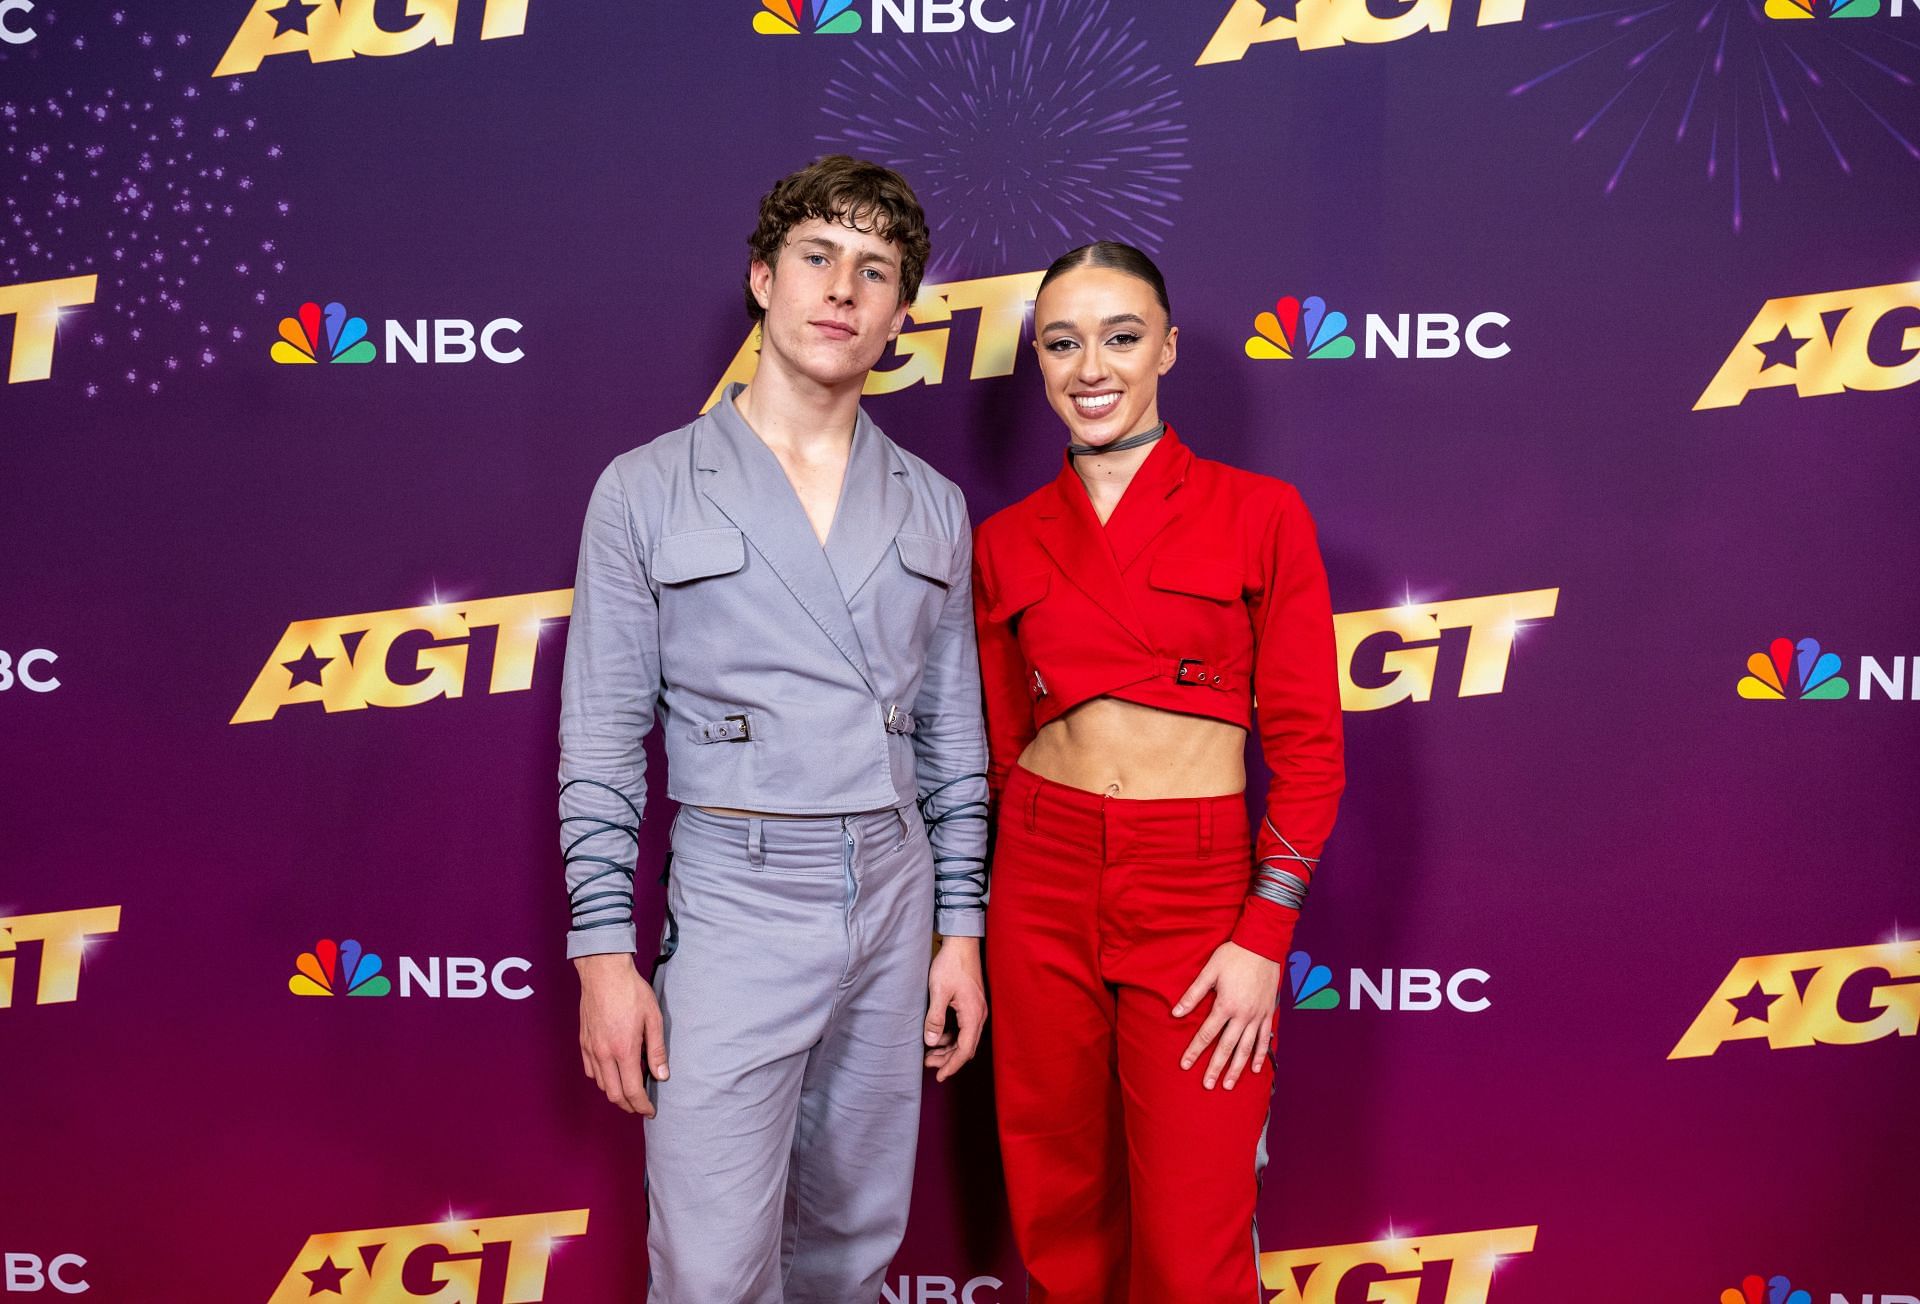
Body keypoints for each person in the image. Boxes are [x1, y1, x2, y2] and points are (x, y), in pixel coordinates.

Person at [557, 156, 990, 1304]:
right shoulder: (644, 489)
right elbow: (601, 743)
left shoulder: (934, 503)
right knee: (709, 1266)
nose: (841, 288)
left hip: (895, 897)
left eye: (875, 270)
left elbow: (954, 745)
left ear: (901, 317)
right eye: (817, 257)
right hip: (737, 892)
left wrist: (961, 927)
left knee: (851, 1245)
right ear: (763, 277)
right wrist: (604, 952)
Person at [971, 241, 1345, 1303]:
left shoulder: (1261, 512)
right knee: (1062, 1217)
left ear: (1168, 349)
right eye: (1063, 341)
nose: (1092, 366)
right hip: (1040, 878)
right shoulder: (1002, 540)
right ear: (1040, 361)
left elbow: (1312, 750)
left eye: (1122, 337)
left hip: (1192, 890)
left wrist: (1263, 934)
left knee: (1192, 1244)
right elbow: (998, 748)